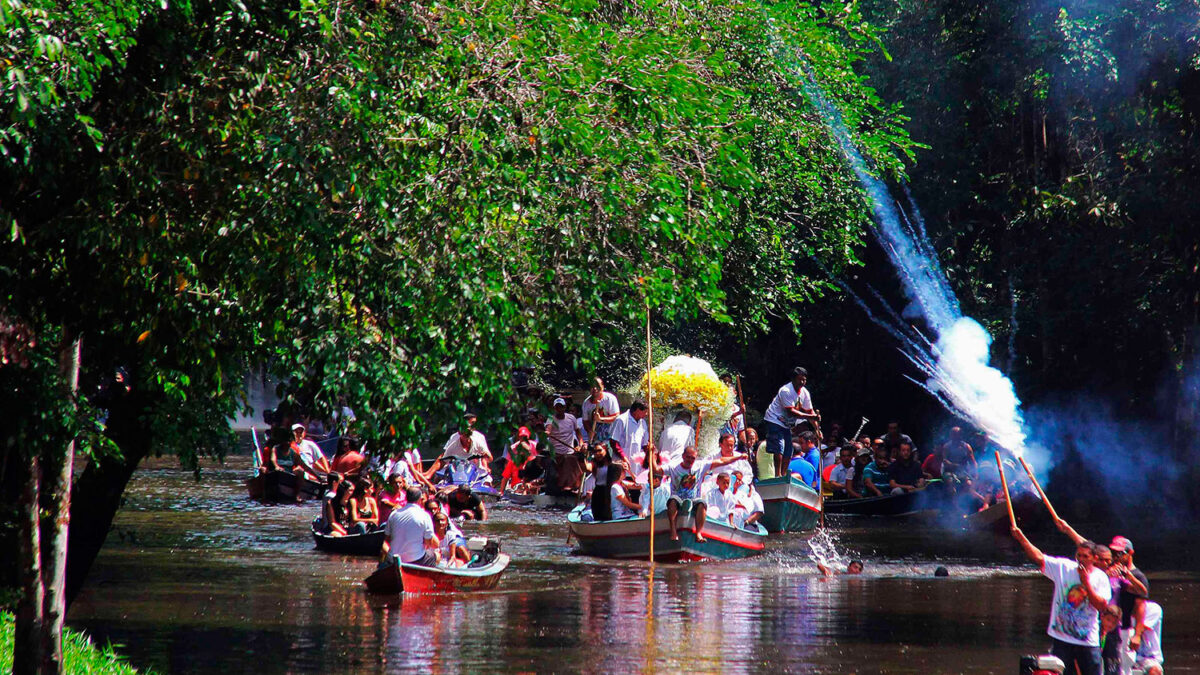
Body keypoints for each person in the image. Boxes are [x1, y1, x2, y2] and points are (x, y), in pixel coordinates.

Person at [1011, 525, 1112, 675]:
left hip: (1087, 641)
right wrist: (1020, 537)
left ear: (1094, 558)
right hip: (1062, 639)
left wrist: (1086, 583)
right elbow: (1039, 557)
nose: (1081, 560)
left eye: (1086, 556)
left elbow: (1101, 606)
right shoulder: (1064, 567)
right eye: (1079, 555)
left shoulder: (1100, 577)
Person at [1054, 520, 1151, 675]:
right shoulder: (1099, 571)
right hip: (1093, 625)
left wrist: (1137, 635)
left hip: (1116, 628)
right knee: (1085, 665)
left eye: (1119, 553)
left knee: (1115, 668)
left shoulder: (1128, 575)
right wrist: (1067, 529)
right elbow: (1085, 547)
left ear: (1129, 553)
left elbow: (1142, 596)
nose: (1114, 557)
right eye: (1113, 553)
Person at [665, 446, 748, 541]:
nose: (690, 460)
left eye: (693, 458)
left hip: (693, 500)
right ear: (683, 456)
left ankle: (698, 533)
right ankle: (673, 532)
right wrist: (652, 457)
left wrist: (739, 457)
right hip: (677, 499)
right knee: (672, 500)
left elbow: (721, 461)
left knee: (702, 503)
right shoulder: (673, 467)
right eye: (688, 457)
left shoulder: (700, 466)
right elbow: (656, 470)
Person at [762, 367, 819, 478]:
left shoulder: (805, 393)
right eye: (799, 380)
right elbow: (792, 412)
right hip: (774, 418)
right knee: (779, 447)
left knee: (789, 448)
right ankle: (777, 475)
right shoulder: (786, 391)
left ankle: (783, 474)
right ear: (793, 379)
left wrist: (817, 429)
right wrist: (811, 416)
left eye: (804, 380)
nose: (802, 383)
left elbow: (810, 411)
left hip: (786, 423)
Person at [380, 486, 439, 567]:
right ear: (419, 499)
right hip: (416, 559)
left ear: (406, 498)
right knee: (435, 555)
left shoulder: (394, 514)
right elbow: (428, 542)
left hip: (393, 558)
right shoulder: (425, 515)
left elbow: (387, 539)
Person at [609, 400, 650, 465]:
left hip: (637, 466)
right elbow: (614, 442)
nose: (646, 414)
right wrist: (623, 457)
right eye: (645, 412)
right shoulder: (621, 420)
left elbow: (645, 444)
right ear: (638, 410)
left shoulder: (643, 423)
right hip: (621, 463)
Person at [581, 377, 621, 444]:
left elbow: (617, 417)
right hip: (595, 439)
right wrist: (589, 431)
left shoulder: (610, 399)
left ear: (602, 387)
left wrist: (601, 419)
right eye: (592, 386)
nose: (595, 389)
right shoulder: (586, 403)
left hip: (611, 438)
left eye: (597, 386)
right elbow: (585, 421)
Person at [499, 426, 538, 494]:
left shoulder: (533, 463)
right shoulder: (512, 460)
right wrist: (501, 492)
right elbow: (505, 478)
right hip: (516, 489)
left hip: (530, 490)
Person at [1133, 601, 1164, 675]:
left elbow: (1142, 628)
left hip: (1149, 658)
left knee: (1155, 670)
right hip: (1125, 655)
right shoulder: (1121, 607)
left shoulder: (1153, 608)